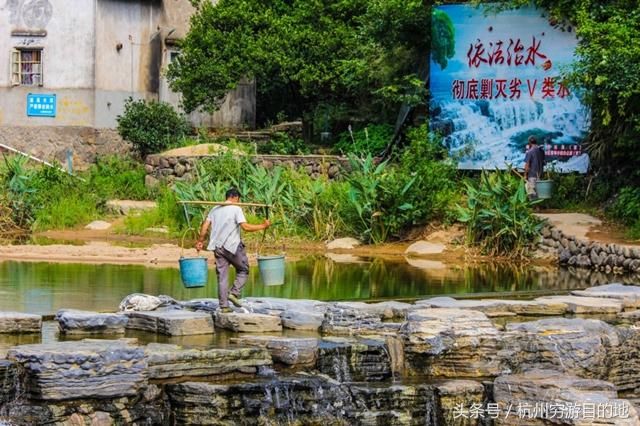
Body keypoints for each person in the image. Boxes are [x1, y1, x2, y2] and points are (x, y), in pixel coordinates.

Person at [195, 188, 270, 313]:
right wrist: (263, 226)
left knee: (222, 277)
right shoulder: (236, 209)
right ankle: (234, 293)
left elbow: (205, 227)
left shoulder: (215, 209)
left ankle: (224, 306)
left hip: (218, 248)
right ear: (235, 197)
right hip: (232, 246)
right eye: (238, 199)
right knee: (243, 270)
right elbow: (245, 227)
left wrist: (200, 241)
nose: (238, 202)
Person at [524, 136, 545, 200]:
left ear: (529, 143)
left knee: (531, 192)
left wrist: (525, 174)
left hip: (532, 174)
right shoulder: (541, 151)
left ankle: (535, 207)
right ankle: (538, 207)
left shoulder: (529, 152)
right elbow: (543, 162)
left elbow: (527, 165)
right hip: (540, 173)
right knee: (538, 192)